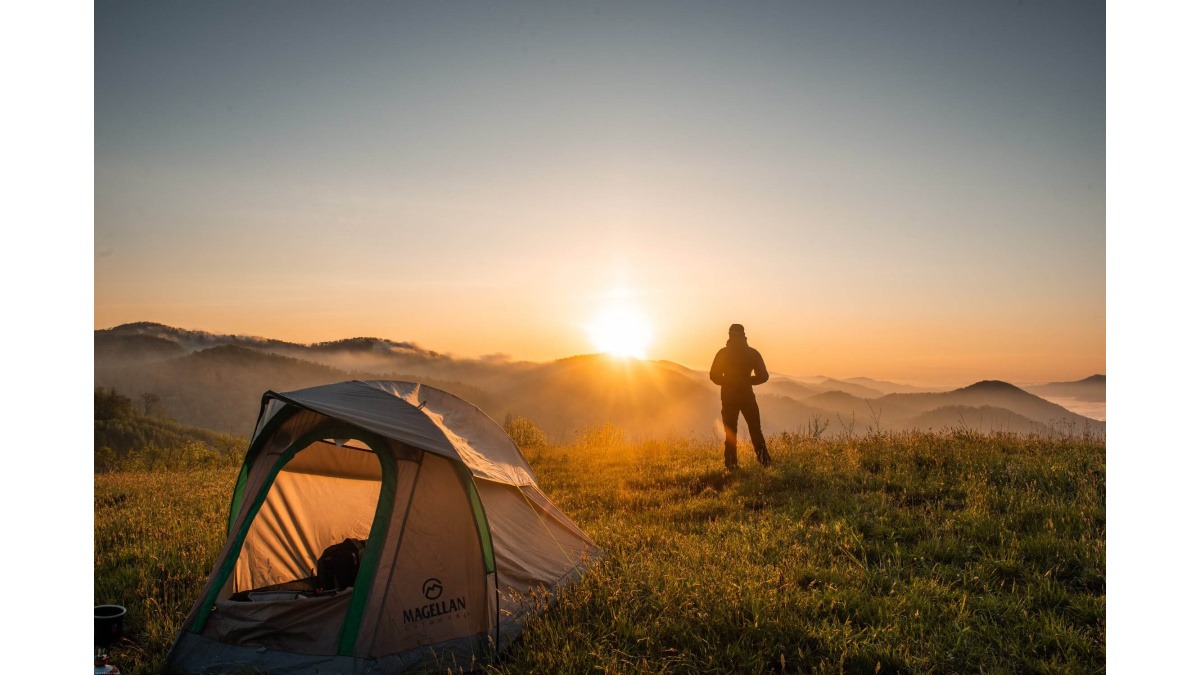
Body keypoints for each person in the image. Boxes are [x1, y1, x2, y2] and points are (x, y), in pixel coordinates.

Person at [709, 324, 772, 469]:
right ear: (744, 335)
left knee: (730, 431)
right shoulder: (752, 353)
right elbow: (764, 376)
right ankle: (765, 462)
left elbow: (713, 376)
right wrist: (747, 381)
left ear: (729, 335)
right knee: (755, 429)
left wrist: (728, 381)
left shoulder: (723, 353)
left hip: (728, 397)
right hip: (747, 396)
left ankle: (731, 465)